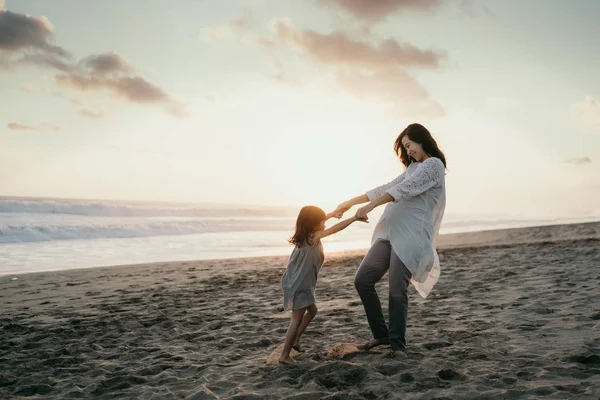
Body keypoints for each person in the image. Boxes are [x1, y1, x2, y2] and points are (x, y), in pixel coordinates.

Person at [332, 123, 447, 358]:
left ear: (421, 140)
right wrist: (350, 202)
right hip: (390, 233)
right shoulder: (414, 168)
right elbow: (389, 186)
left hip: (412, 237)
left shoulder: (434, 165)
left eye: (409, 145)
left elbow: (403, 190)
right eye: (404, 149)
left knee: (396, 291)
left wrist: (371, 206)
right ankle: (381, 334)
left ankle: (397, 346)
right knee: (363, 280)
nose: (408, 152)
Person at [279, 205, 367, 364]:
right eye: (322, 221)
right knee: (296, 319)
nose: (324, 223)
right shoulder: (314, 237)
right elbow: (335, 229)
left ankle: (297, 339)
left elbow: (324, 221)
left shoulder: (304, 235)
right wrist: (354, 218)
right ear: (314, 223)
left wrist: (332, 214)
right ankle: (284, 356)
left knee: (312, 310)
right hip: (300, 284)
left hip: (298, 281)